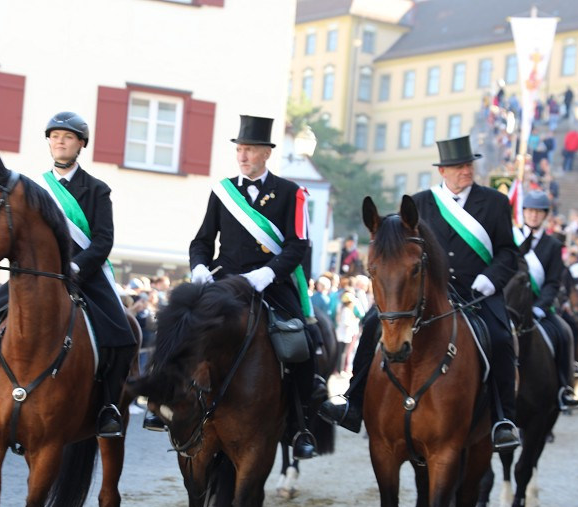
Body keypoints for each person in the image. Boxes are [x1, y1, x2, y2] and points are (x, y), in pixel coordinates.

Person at [321, 135, 521, 450]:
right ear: (442, 171)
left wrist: (490, 279)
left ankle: (502, 418)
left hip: (478, 291)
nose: (465, 171)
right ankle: (353, 401)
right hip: (426, 290)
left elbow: (509, 252)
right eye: (457, 167)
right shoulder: (420, 203)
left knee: (500, 337)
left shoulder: (494, 202)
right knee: (373, 323)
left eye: (468, 165)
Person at [0, 111, 137, 438]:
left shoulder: (97, 189)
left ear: (80, 144)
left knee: (122, 336)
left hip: (84, 272)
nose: (60, 141)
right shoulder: (34, 187)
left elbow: (103, 240)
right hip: (38, 274)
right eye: (55, 136)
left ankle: (108, 407)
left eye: (68, 137)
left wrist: (75, 265)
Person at [183, 114, 325, 460]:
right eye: (240, 150)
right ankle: (170, 407)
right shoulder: (222, 192)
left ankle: (301, 426)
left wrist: (267, 274)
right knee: (180, 325)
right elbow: (202, 240)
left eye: (250, 150)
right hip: (225, 280)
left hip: (270, 283)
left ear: (266, 154)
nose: (243, 156)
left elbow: (297, 245)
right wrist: (199, 267)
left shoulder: (291, 193)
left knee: (300, 343)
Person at [517, 190, 578, 408]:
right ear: (523, 212)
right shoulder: (509, 238)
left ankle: (565, 386)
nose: (533, 216)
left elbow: (553, 281)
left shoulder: (553, 245)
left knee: (565, 331)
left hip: (538, 307)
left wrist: (540, 308)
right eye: (530, 211)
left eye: (539, 212)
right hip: (510, 305)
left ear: (545, 215)